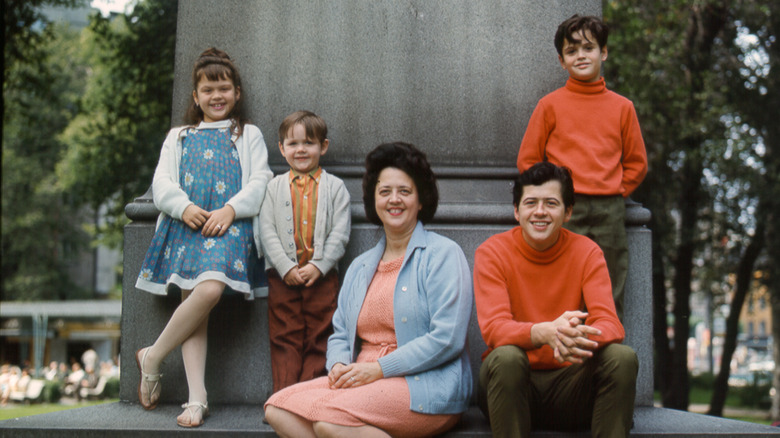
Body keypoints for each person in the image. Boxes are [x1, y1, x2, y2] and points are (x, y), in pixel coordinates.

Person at [264, 142, 473, 438]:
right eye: (385, 191)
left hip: (424, 385)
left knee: (329, 422)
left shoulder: (443, 255)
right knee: (278, 408)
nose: (394, 200)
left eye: (405, 191)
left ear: (421, 199)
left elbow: (447, 338)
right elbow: (339, 332)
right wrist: (337, 365)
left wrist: (379, 369)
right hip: (362, 378)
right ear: (374, 199)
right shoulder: (362, 266)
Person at [134, 48, 273, 428]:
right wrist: (182, 207)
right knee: (194, 309)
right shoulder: (179, 136)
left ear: (237, 92)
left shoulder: (247, 134)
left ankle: (153, 356)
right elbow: (161, 183)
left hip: (228, 227)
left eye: (224, 88)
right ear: (195, 97)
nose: (217, 96)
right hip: (187, 227)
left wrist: (231, 209)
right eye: (208, 89)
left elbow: (261, 181)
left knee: (209, 291)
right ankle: (197, 398)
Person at [474, 161, 638, 438]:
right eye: (530, 203)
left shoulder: (587, 252)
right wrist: (544, 333)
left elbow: (611, 323)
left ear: (568, 212)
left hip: (571, 386)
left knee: (622, 357)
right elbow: (494, 329)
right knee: (507, 357)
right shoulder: (492, 253)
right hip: (511, 387)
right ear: (516, 211)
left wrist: (571, 337)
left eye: (551, 203)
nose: (540, 212)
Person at [516, 14, 647, 321]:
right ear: (562, 61)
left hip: (610, 208)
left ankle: (606, 343)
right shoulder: (550, 105)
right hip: (564, 206)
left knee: (610, 274)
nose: (580, 56)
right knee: (563, 272)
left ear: (603, 52)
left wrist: (615, 190)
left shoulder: (622, 107)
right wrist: (552, 198)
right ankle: (562, 343)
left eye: (587, 48)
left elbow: (637, 162)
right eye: (571, 51)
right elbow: (528, 160)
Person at [260, 110, 351, 393]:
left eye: (309, 143)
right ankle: (284, 397)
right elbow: (267, 230)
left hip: (321, 277)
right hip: (282, 276)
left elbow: (340, 233)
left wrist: (320, 266)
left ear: (323, 146)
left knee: (321, 334)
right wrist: (284, 267)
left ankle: (308, 396)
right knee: (284, 335)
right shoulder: (273, 188)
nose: (301, 150)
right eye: (293, 144)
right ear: (281, 149)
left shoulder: (335, 187)